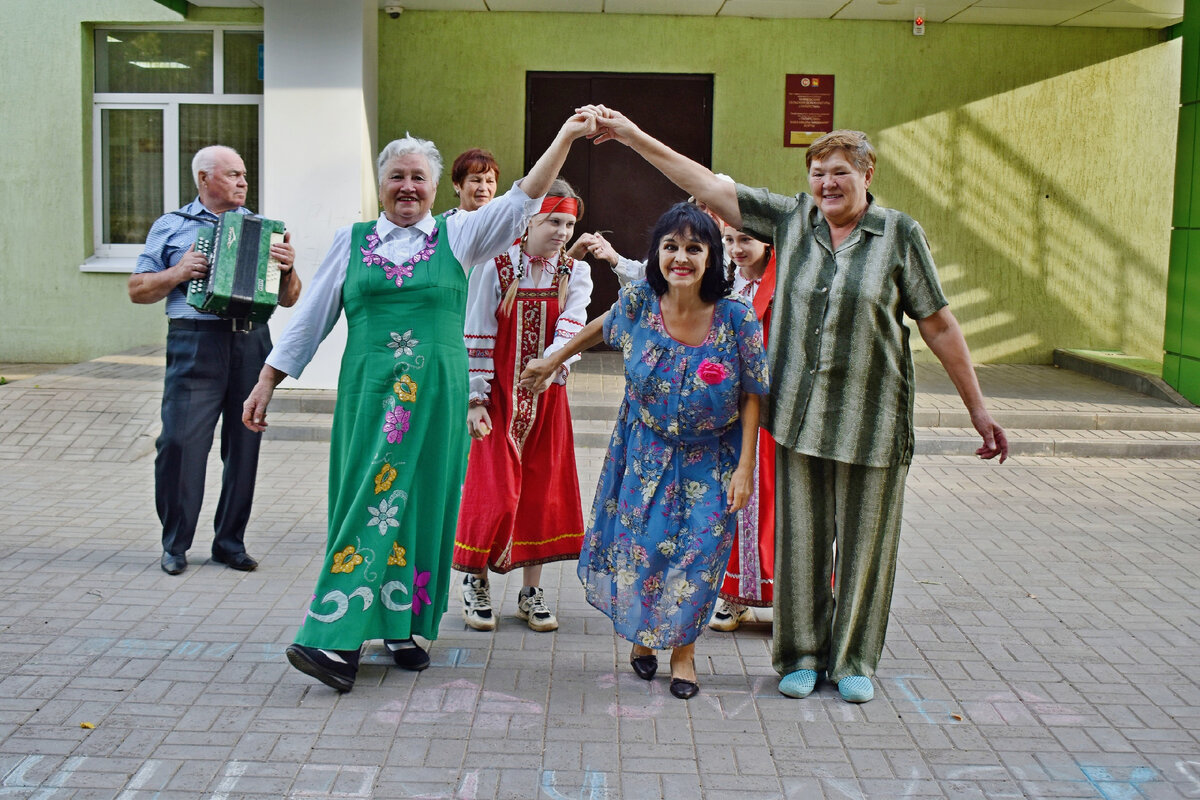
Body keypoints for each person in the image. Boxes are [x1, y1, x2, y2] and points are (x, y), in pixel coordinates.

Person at [582, 105, 1007, 703]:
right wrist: (629, 133)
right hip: (798, 419)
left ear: (868, 174)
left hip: (872, 420)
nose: (827, 184)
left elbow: (937, 324)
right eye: (817, 173)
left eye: (840, 172)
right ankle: (801, 655)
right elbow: (703, 183)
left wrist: (978, 408)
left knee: (866, 546)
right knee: (801, 545)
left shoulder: (899, 235)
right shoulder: (792, 220)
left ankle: (855, 658)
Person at [241, 111, 598, 693]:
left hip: (436, 396)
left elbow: (522, 196)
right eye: (396, 176)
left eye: (418, 178)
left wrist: (565, 138)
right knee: (368, 500)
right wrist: (267, 379)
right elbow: (311, 317)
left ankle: (406, 626)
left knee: (424, 505)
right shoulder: (351, 241)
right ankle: (333, 637)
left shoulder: (460, 236)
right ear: (380, 185)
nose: (407, 187)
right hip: (369, 393)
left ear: (435, 189)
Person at [521, 203, 770, 700]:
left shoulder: (736, 317)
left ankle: (683, 655)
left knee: (700, 554)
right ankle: (643, 638)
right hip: (644, 451)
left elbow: (752, 393)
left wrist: (746, 466)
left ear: (711, 257)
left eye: (694, 249)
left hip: (713, 458)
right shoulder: (639, 302)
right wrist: (552, 361)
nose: (681, 258)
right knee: (647, 549)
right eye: (671, 247)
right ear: (656, 255)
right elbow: (601, 325)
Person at [129, 144, 301, 577]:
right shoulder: (171, 226)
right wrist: (177, 273)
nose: (243, 182)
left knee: (244, 446)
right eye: (233, 175)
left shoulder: (264, 229)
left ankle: (229, 542)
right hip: (195, 342)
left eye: (244, 175)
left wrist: (289, 270)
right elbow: (137, 289)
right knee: (180, 444)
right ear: (205, 179)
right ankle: (176, 543)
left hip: (250, 344)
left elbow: (289, 299)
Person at [453, 178, 592, 633]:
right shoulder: (494, 267)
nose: (562, 231)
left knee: (542, 491)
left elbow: (574, 322)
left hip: (547, 397)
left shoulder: (575, 272)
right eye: (554, 220)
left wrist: (551, 362)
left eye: (569, 223)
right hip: (497, 399)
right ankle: (475, 581)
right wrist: (476, 398)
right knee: (491, 492)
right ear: (530, 219)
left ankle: (530, 593)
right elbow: (477, 331)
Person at [710, 225, 777, 631]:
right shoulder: (731, 287)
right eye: (730, 241)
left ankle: (789, 598)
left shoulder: (783, 287)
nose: (736, 249)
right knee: (734, 496)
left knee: (775, 498)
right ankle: (733, 595)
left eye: (745, 241)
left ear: (767, 244)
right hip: (735, 410)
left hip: (776, 410)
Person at [449, 148, 499, 213]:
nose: (483, 188)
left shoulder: (503, 221)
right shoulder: (439, 222)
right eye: (476, 180)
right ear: (456, 184)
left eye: (490, 181)